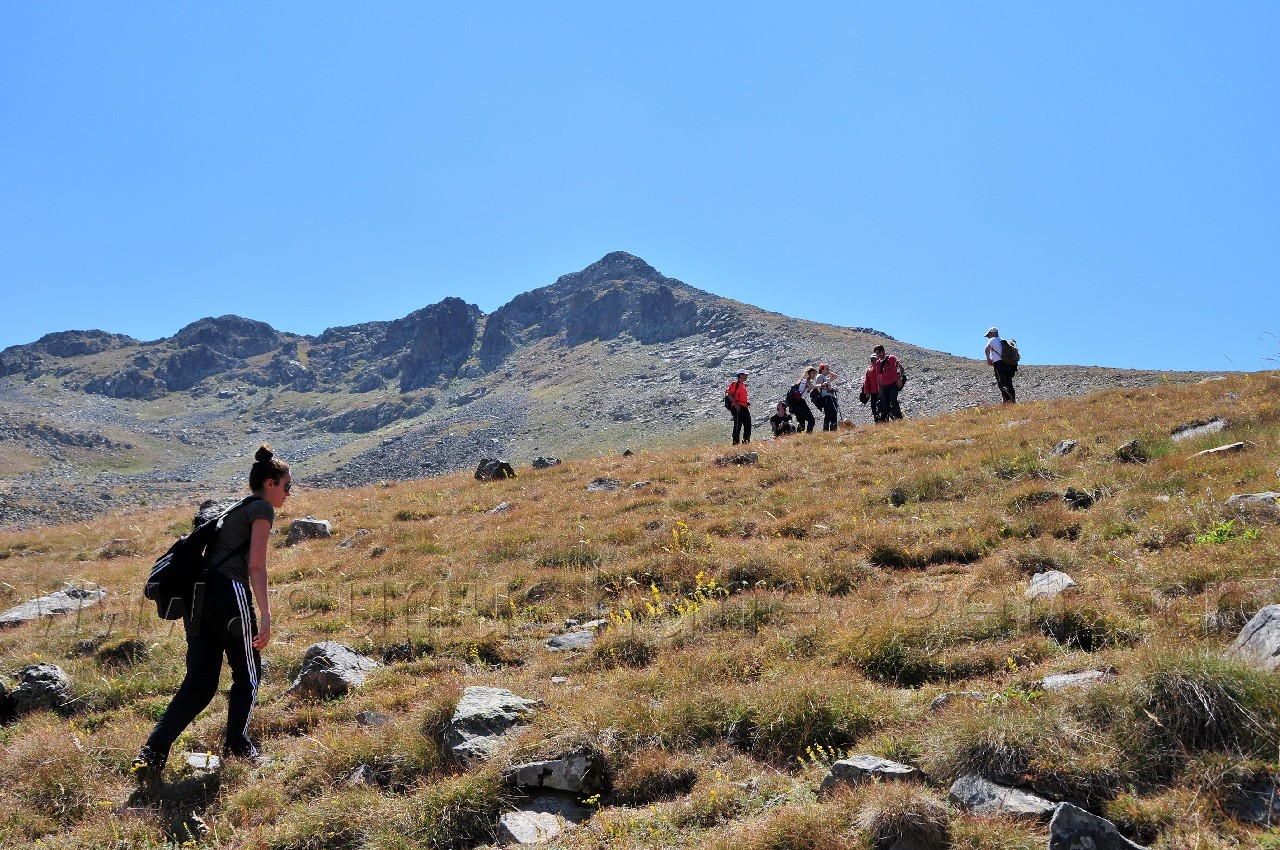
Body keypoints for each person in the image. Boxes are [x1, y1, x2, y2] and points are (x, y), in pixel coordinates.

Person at [133, 444, 291, 782]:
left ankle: (152, 752)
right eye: (287, 486)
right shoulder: (261, 507)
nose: (288, 494)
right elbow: (256, 566)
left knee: (201, 682)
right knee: (247, 675)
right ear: (270, 482)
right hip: (227, 592)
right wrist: (265, 614)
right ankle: (238, 746)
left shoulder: (235, 508)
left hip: (198, 598)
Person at [985, 327, 1016, 403]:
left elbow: (987, 348)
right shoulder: (1002, 340)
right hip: (1008, 364)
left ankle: (1007, 401)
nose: (988, 337)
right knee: (1009, 382)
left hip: (999, 363)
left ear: (992, 333)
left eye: (988, 335)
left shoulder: (992, 340)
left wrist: (988, 359)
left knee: (1002, 382)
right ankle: (1012, 401)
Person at [874, 345, 904, 420]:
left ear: (883, 351)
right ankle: (896, 416)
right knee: (885, 406)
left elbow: (900, 367)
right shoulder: (878, 363)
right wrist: (880, 389)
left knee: (893, 400)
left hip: (894, 383)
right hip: (885, 386)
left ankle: (899, 419)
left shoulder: (892, 358)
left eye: (879, 353)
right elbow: (879, 377)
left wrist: (900, 378)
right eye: (877, 354)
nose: (878, 355)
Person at [725, 370, 751, 444]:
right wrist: (736, 403)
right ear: (741, 375)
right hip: (737, 407)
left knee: (748, 424)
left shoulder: (743, 386)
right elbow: (729, 394)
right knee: (737, 425)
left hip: (744, 407)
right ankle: (735, 443)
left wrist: (746, 402)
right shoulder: (734, 384)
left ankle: (746, 442)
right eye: (745, 375)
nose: (746, 376)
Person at [814, 363, 840, 431]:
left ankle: (833, 430)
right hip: (826, 397)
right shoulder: (820, 376)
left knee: (834, 413)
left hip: (831, 396)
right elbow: (820, 385)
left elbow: (835, 376)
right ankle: (826, 430)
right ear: (822, 370)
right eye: (827, 369)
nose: (828, 370)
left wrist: (828, 372)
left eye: (829, 368)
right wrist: (832, 389)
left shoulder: (827, 378)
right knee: (829, 413)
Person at [860, 354, 882, 422]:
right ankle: (876, 419)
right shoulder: (869, 371)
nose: (874, 361)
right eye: (872, 360)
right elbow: (866, 382)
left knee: (881, 406)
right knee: (873, 406)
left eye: (875, 359)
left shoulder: (881, 368)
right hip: (873, 393)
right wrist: (867, 392)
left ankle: (883, 419)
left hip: (881, 392)